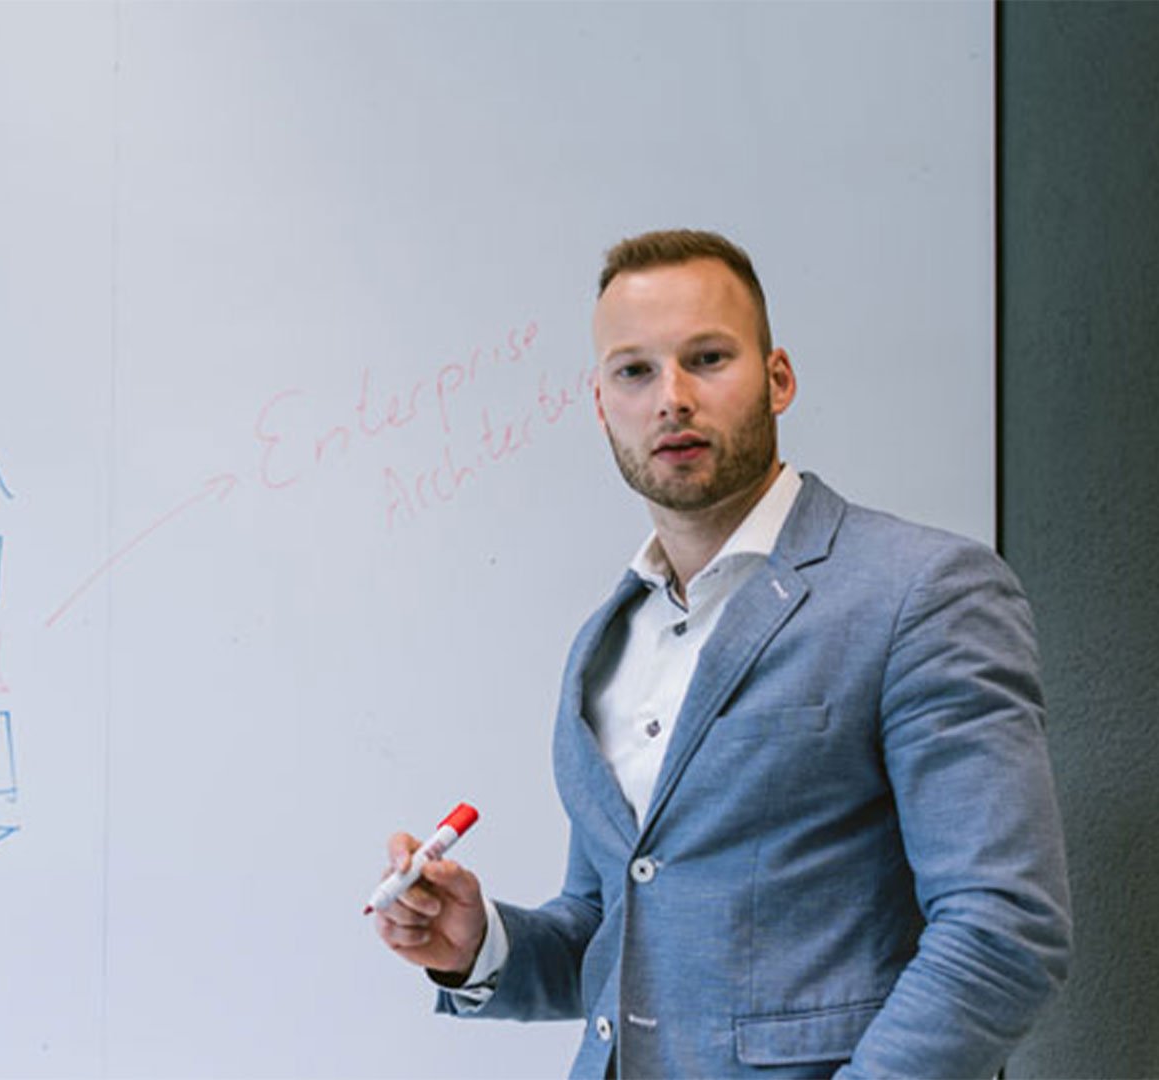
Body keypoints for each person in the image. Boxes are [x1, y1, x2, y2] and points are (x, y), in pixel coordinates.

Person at [374, 229, 1071, 1078]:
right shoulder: (606, 641)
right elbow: (620, 927)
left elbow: (1001, 927)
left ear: (778, 378)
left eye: (707, 358)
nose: (671, 398)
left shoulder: (924, 592)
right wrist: (479, 941)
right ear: (600, 403)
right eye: (634, 371)